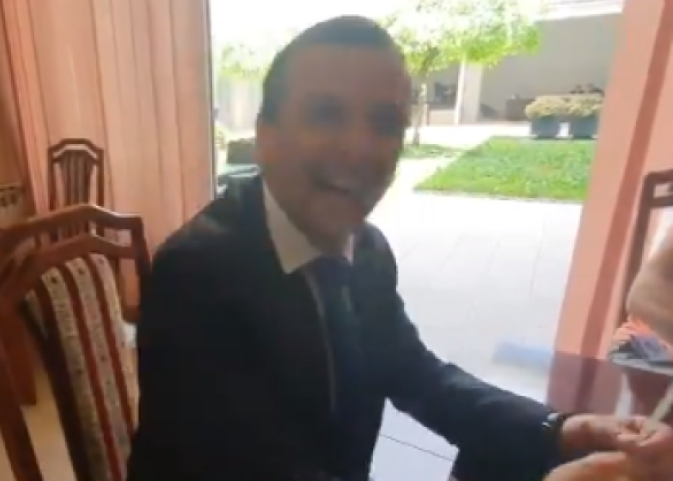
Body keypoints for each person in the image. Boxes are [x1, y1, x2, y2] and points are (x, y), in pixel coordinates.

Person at [127, 16, 673, 481]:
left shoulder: (366, 249)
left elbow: (417, 376)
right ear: (264, 136)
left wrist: (563, 429)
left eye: (385, 122)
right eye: (326, 114)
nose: (360, 148)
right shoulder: (196, 276)